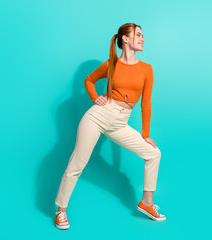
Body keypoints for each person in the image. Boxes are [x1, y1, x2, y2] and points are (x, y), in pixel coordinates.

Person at [54, 23, 166, 230]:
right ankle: (61, 211)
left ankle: (147, 203)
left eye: (143, 35)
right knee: (77, 163)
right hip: (98, 117)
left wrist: (145, 134)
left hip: (120, 122)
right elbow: (89, 80)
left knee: (153, 153)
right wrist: (95, 98)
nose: (143, 39)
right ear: (125, 39)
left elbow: (146, 103)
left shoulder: (146, 69)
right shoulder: (110, 64)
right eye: (139, 35)